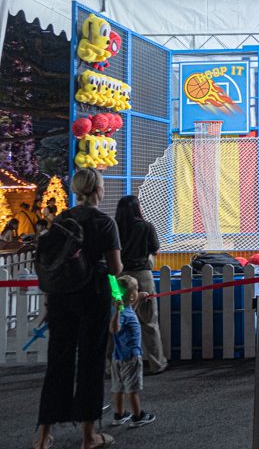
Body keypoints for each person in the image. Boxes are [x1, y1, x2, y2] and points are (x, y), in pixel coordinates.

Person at [34, 167, 123, 449]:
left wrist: (50, 300)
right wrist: (118, 295)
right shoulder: (104, 223)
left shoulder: (61, 219)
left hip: (60, 298)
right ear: (98, 189)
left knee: (57, 363)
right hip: (92, 297)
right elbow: (114, 268)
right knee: (90, 363)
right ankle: (88, 437)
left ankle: (43, 436)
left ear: (75, 190)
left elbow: (52, 262)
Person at [114, 196, 168, 374]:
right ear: (137, 208)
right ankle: (157, 363)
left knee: (117, 320)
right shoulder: (146, 226)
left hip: (119, 277)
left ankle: (111, 364)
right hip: (142, 276)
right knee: (149, 322)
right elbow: (155, 251)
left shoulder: (114, 227)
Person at [109, 274, 155, 428]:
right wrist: (117, 312)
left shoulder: (125, 310)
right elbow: (114, 329)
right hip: (131, 356)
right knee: (132, 388)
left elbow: (129, 311)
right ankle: (137, 416)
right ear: (132, 295)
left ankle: (120, 414)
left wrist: (138, 299)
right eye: (136, 290)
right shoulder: (120, 313)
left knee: (119, 387)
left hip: (118, 356)